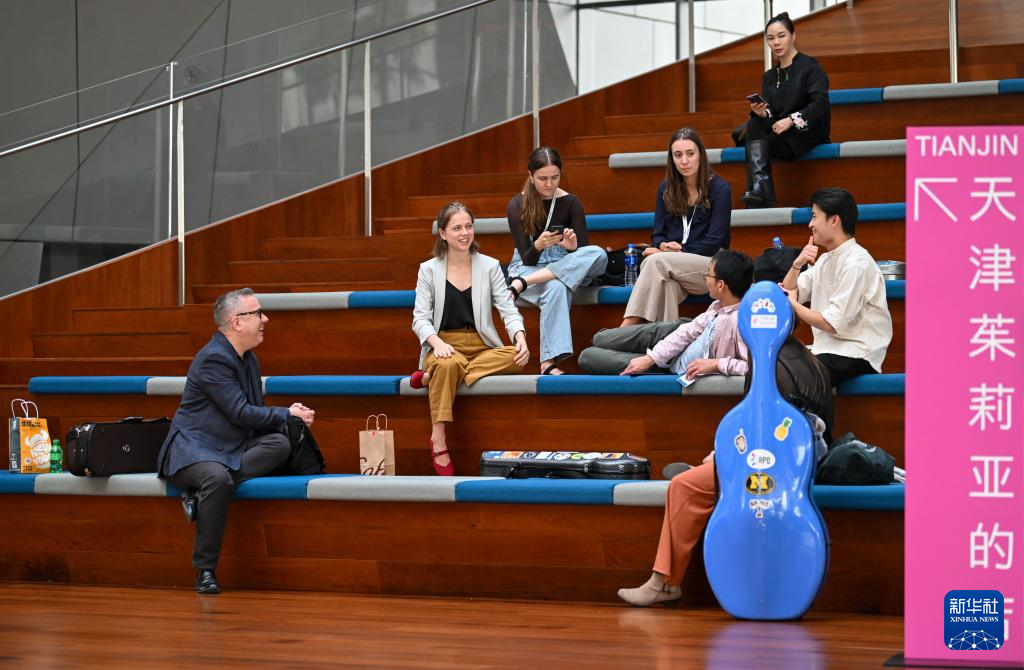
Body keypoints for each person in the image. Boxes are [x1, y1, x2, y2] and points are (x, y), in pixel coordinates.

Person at [616, 334, 834, 607]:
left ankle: (663, 584)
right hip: (801, 461)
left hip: (776, 468)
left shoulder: (770, 365)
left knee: (684, 486)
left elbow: (765, 432)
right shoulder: (804, 358)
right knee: (699, 476)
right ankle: (708, 472)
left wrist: (722, 459)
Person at [157, 288, 316, 595]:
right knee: (216, 479)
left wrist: (285, 419)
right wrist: (287, 413)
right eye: (258, 313)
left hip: (230, 447)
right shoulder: (213, 359)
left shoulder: (248, 358)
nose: (265, 319)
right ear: (237, 322)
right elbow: (240, 413)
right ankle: (205, 570)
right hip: (194, 449)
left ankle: (199, 496)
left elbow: (252, 416)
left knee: (280, 445)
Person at [411, 202, 530, 475]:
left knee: (516, 357)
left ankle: (432, 376)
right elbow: (420, 319)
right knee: (447, 363)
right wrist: (438, 344)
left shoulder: (489, 266)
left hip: (481, 346)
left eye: (468, 226)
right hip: (444, 345)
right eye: (457, 228)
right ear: (443, 233)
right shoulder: (428, 269)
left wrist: (520, 336)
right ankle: (438, 438)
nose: (464, 233)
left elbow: (508, 310)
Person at [505, 147, 608, 375]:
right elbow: (527, 258)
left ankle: (522, 283)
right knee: (555, 287)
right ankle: (548, 363)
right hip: (529, 266)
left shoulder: (571, 202)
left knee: (598, 253)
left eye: (555, 177)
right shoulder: (517, 205)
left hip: (542, 273)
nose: (549, 184)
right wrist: (538, 246)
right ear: (531, 176)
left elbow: (584, 254)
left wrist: (572, 248)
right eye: (543, 178)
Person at [578, 250, 753, 379]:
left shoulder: (744, 322)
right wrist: (651, 357)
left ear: (721, 285)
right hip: (670, 339)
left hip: (668, 366)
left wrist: (716, 364)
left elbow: (757, 369)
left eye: (708, 274)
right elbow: (686, 333)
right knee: (600, 338)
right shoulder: (717, 306)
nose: (705, 278)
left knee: (588, 356)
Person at [620, 128, 732, 327]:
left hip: (710, 266)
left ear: (700, 155)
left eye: (690, 153)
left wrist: (678, 251)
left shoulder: (720, 189)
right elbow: (658, 234)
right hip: (673, 267)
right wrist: (662, 246)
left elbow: (715, 241)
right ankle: (667, 343)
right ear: (671, 159)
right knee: (666, 286)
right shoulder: (666, 188)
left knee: (655, 262)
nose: (684, 161)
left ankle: (627, 327)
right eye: (678, 155)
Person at [781, 187, 893, 387]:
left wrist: (792, 305)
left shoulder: (857, 263)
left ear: (834, 220)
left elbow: (832, 323)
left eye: (814, 217)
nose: (810, 224)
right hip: (827, 351)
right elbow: (791, 292)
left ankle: (813, 410)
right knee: (771, 363)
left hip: (856, 352)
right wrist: (797, 264)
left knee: (798, 375)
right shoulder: (825, 260)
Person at [741, 12, 830, 209]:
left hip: (806, 132)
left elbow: (820, 105)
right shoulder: (769, 76)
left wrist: (791, 120)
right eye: (770, 38)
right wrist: (763, 112)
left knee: (756, 141)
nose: (776, 42)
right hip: (780, 131)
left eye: (781, 36)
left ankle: (761, 191)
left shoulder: (811, 67)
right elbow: (773, 112)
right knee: (754, 122)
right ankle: (761, 190)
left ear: (793, 36)